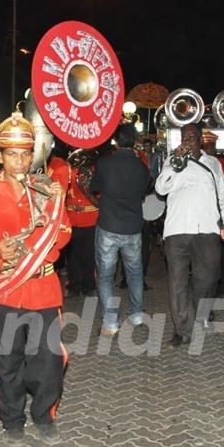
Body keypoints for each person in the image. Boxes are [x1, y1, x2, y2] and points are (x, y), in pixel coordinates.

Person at [0, 111, 71, 444]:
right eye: (12, 154)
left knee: (49, 360)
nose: (20, 160)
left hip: (43, 288)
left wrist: (43, 241)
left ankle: (43, 415)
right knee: (7, 360)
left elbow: (64, 230)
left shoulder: (44, 189)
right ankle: (12, 420)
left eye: (25, 153)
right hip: (4, 291)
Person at [155, 122, 224, 347]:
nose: (187, 140)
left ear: (200, 139)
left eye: (191, 137)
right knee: (177, 283)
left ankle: (201, 314)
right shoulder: (172, 162)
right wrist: (173, 166)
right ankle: (182, 330)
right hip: (176, 230)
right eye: (184, 137)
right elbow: (160, 189)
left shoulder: (213, 164)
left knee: (207, 278)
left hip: (207, 230)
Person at [89, 124, 150, 335]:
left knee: (106, 276)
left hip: (108, 226)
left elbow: (94, 187)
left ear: (116, 140)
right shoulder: (142, 167)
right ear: (134, 141)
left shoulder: (105, 163)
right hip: (133, 227)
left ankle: (111, 323)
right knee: (135, 273)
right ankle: (136, 314)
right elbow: (144, 191)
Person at [202, 130, 224, 296]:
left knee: (222, 253)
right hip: (203, 213)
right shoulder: (196, 162)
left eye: (212, 147)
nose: (210, 150)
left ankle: (222, 285)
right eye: (207, 147)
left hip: (220, 214)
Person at [65, 150, 99, 298]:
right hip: (71, 219)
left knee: (88, 255)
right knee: (72, 256)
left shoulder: (94, 174)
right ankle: (73, 285)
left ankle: (89, 285)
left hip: (90, 219)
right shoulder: (67, 173)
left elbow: (98, 196)